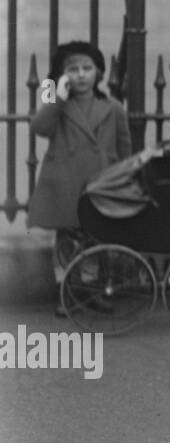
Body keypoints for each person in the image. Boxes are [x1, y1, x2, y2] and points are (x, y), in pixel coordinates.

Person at [29, 41, 132, 278]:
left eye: (87, 68)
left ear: (99, 73)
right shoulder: (57, 103)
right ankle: (64, 286)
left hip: (99, 182)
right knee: (66, 239)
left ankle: (88, 285)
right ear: (62, 76)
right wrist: (58, 96)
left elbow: (124, 150)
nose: (81, 75)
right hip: (67, 183)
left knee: (94, 238)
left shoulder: (113, 107)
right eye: (73, 70)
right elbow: (39, 127)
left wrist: (122, 181)